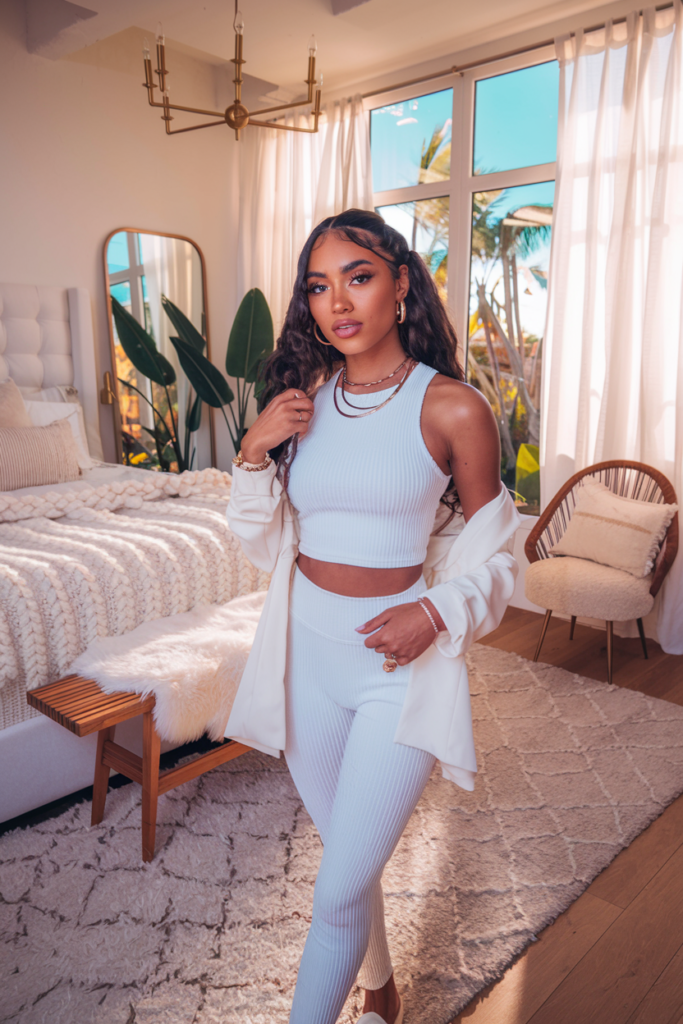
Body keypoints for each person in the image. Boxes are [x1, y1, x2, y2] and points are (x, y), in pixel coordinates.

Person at [225, 209, 520, 1024]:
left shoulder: (452, 408)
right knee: (347, 867)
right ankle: (380, 986)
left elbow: (500, 555)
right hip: (306, 660)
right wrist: (254, 452)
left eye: (357, 276)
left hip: (397, 668)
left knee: (334, 887)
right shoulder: (304, 402)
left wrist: (433, 609)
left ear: (399, 287)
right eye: (318, 286)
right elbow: (260, 544)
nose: (336, 302)